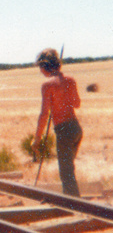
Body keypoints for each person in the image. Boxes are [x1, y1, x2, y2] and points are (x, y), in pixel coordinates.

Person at [32, 48, 82, 196]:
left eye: (40, 68)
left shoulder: (47, 85)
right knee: (68, 170)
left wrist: (37, 137)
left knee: (66, 175)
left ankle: (75, 208)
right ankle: (72, 202)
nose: (40, 71)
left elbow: (43, 114)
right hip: (76, 129)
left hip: (64, 131)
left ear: (44, 66)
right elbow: (77, 104)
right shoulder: (71, 80)